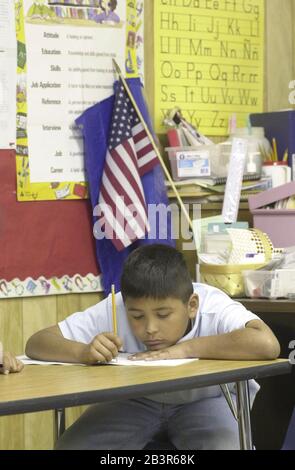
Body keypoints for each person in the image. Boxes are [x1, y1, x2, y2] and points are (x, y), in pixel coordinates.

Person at [25, 245, 280, 450]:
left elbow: (267, 344)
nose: (150, 328)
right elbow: (37, 342)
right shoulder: (116, 307)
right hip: (134, 400)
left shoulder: (212, 305)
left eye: (163, 314)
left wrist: (185, 349)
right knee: (72, 446)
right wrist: (82, 352)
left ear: (191, 305)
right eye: (136, 316)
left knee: (225, 446)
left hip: (207, 400)